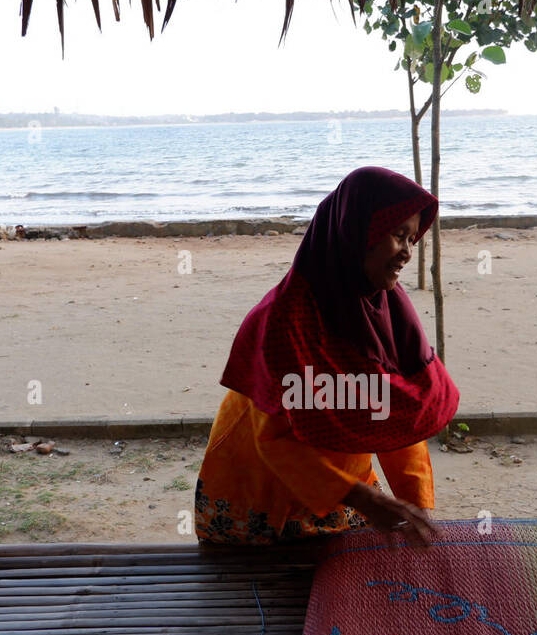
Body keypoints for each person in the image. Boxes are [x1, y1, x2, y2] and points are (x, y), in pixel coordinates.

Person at [194, 166, 460, 548]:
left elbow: (396, 414)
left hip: (341, 501)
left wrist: (414, 504)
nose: (407, 252)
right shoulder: (284, 319)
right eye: (398, 236)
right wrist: (364, 497)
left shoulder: (387, 312)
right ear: (357, 233)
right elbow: (275, 440)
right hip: (254, 504)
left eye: (412, 239)